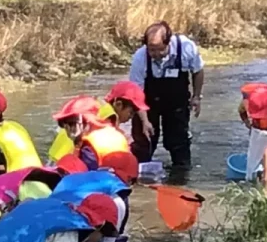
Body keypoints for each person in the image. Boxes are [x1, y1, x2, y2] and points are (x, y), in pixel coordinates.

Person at [129, 22, 204, 170]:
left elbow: (198, 71)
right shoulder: (140, 58)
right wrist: (144, 121)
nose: (155, 54)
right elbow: (136, 93)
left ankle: (180, 178)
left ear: (168, 42)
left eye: (159, 50)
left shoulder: (186, 48)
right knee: (144, 142)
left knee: (178, 141)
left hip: (176, 100)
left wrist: (196, 96)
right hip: (147, 101)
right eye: (151, 50)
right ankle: (137, 178)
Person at [47, 97, 132, 172]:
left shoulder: (91, 147)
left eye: (71, 123)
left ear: (88, 122)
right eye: (62, 124)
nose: (67, 129)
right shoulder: (110, 133)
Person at [107, 80, 156, 164]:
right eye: (131, 112)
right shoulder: (106, 127)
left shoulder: (107, 116)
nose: (131, 116)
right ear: (118, 104)